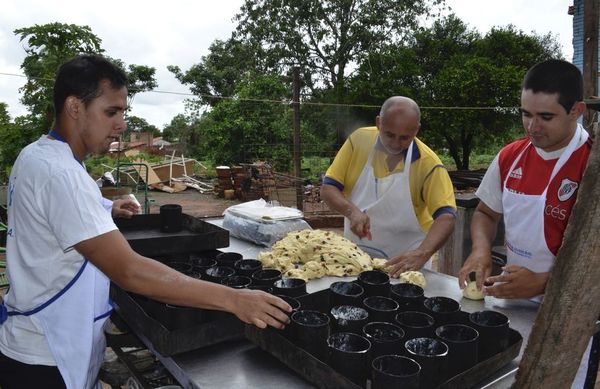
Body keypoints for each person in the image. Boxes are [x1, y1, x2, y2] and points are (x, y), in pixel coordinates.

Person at [0, 54, 291, 389]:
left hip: (47, 339)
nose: (122, 124)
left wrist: (105, 209)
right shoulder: (60, 172)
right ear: (75, 107)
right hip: (47, 358)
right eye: (111, 111)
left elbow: (55, 214)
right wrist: (235, 299)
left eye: (123, 111)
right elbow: (129, 271)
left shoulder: (38, 155)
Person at [457, 59, 592, 387]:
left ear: (576, 110)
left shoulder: (591, 164)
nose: (532, 127)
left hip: (570, 313)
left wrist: (546, 282)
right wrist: (480, 250)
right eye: (526, 114)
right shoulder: (511, 156)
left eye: (545, 117)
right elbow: (487, 213)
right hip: (512, 299)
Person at [321, 96, 456, 277]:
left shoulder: (429, 165)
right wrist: (351, 211)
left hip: (404, 267)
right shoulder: (358, 142)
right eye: (389, 134)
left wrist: (422, 253)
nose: (395, 144)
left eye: (404, 138)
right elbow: (328, 188)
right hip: (355, 261)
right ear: (379, 123)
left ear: (416, 130)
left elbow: (446, 217)